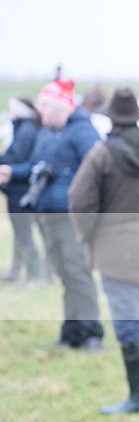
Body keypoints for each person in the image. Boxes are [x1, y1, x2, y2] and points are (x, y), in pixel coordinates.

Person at [69, 88, 139, 414]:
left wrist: (93, 235)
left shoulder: (101, 155)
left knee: (129, 322)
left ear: (111, 119)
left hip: (115, 250)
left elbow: (79, 202)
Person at [0, 79, 105, 351]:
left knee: (79, 273)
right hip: (49, 214)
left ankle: (92, 333)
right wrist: (12, 173)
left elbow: (98, 170)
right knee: (65, 274)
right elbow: (36, 166)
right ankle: (72, 332)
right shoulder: (47, 133)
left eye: (45, 106)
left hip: (72, 217)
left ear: (60, 108)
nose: (41, 112)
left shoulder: (82, 131)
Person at [0, 97, 45, 283]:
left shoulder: (26, 131)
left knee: (24, 235)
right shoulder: (25, 129)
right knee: (21, 234)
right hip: (19, 189)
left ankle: (35, 274)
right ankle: (16, 272)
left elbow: (19, 160)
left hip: (20, 190)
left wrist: (7, 169)